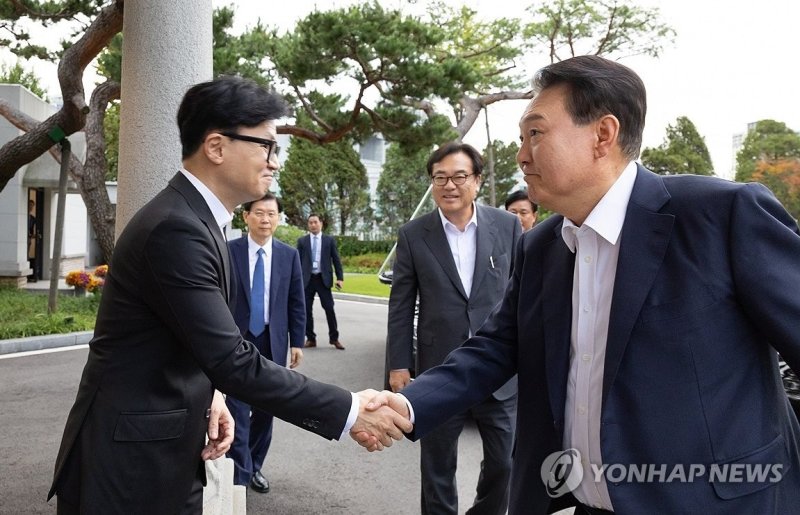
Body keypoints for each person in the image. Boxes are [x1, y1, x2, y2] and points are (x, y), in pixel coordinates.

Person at [367, 55, 800, 514]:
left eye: (535, 133)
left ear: (602, 135)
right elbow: (495, 348)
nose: (520, 155)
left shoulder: (720, 216)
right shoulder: (542, 249)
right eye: (520, 138)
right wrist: (407, 405)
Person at [48, 76, 411, 514]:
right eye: (265, 146)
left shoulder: (195, 218)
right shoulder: (176, 228)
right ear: (217, 147)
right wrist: (350, 409)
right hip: (130, 466)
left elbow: (188, 336)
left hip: (156, 451)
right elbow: (232, 359)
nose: (274, 162)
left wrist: (212, 396)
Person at [386, 142, 521, 515]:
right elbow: (400, 305)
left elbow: (522, 295)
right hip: (438, 368)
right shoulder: (414, 234)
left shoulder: (507, 226)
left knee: (504, 462)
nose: (449, 185)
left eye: (459, 176)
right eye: (440, 177)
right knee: (437, 466)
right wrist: (399, 364)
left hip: (498, 369)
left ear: (477, 180)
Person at [226, 192, 305, 494]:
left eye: (271, 214)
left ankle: (254, 465)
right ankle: (240, 472)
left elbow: (296, 302)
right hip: (237, 340)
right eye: (259, 213)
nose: (265, 219)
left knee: (266, 409)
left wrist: (296, 341)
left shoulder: (288, 255)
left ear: (279, 218)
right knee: (236, 406)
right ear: (245, 216)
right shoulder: (228, 251)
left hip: (272, 341)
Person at [297, 214, 345, 350]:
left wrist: (340, 278)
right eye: (310, 223)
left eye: (315, 222)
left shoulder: (329, 240)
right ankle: (310, 338)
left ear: (321, 223)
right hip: (307, 280)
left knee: (329, 308)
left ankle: (334, 338)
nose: (313, 225)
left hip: (323, 279)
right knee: (306, 310)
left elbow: (336, 260)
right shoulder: (302, 241)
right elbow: (297, 261)